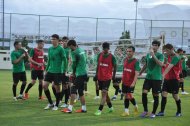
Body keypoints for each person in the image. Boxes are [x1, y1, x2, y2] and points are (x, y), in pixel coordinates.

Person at [139, 40, 164, 118]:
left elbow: (160, 64)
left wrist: (153, 55)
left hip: (157, 78)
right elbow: (146, 64)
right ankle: (145, 110)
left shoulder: (160, 55)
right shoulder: (148, 55)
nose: (154, 46)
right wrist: (140, 72)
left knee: (155, 95)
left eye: (156, 45)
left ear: (158, 47)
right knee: (144, 93)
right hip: (148, 78)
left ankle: (153, 113)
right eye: (153, 45)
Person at [62, 39, 88, 113]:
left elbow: (74, 64)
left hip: (79, 74)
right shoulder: (81, 50)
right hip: (84, 73)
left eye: (70, 47)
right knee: (80, 91)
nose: (69, 49)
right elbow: (85, 61)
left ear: (71, 45)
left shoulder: (74, 52)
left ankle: (69, 109)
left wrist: (73, 72)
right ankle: (84, 108)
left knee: (73, 89)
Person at [157, 44, 182, 117]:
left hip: (174, 79)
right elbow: (165, 65)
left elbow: (169, 68)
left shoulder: (176, 57)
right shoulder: (168, 56)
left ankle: (179, 111)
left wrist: (162, 75)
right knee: (164, 93)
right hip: (167, 79)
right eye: (165, 51)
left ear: (172, 49)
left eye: (167, 51)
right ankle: (162, 112)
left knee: (175, 96)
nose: (166, 52)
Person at [43, 34, 67, 111]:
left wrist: (65, 69)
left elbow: (65, 59)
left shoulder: (60, 49)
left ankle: (56, 105)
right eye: (51, 39)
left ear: (57, 40)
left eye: (54, 39)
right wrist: (46, 70)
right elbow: (49, 60)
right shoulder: (50, 49)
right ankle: (50, 103)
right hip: (50, 70)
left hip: (58, 71)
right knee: (45, 85)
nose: (52, 40)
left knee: (57, 88)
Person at [94, 42, 117, 116]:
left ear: (108, 48)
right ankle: (110, 107)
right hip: (100, 77)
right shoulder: (99, 55)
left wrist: (113, 76)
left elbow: (115, 66)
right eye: (103, 48)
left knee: (103, 93)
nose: (104, 50)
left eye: (106, 49)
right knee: (105, 94)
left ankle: (99, 110)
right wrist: (96, 74)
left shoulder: (112, 57)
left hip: (107, 78)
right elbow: (98, 65)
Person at [121, 46, 140, 116]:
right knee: (126, 95)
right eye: (127, 51)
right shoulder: (125, 59)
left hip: (131, 82)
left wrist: (134, 82)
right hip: (124, 81)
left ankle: (130, 109)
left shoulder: (136, 62)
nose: (128, 53)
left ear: (133, 52)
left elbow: (136, 73)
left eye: (130, 51)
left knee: (128, 96)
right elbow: (124, 70)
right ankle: (128, 110)